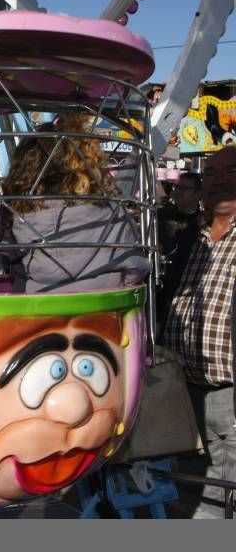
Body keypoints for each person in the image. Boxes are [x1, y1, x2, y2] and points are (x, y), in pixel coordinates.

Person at [164, 146, 236, 519]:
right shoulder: (189, 238)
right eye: (211, 173)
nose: (219, 179)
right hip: (185, 395)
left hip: (230, 397)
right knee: (196, 509)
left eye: (230, 170)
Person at [1, 113, 150, 293]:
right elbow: (136, 266)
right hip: (105, 312)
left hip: (41, 312)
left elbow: (18, 274)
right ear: (82, 162)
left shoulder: (19, 220)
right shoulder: (110, 211)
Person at [156, 172, 202, 333]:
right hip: (159, 288)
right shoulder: (159, 216)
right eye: (177, 187)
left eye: (185, 188)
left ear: (198, 193)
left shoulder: (202, 222)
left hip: (186, 289)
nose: (178, 191)